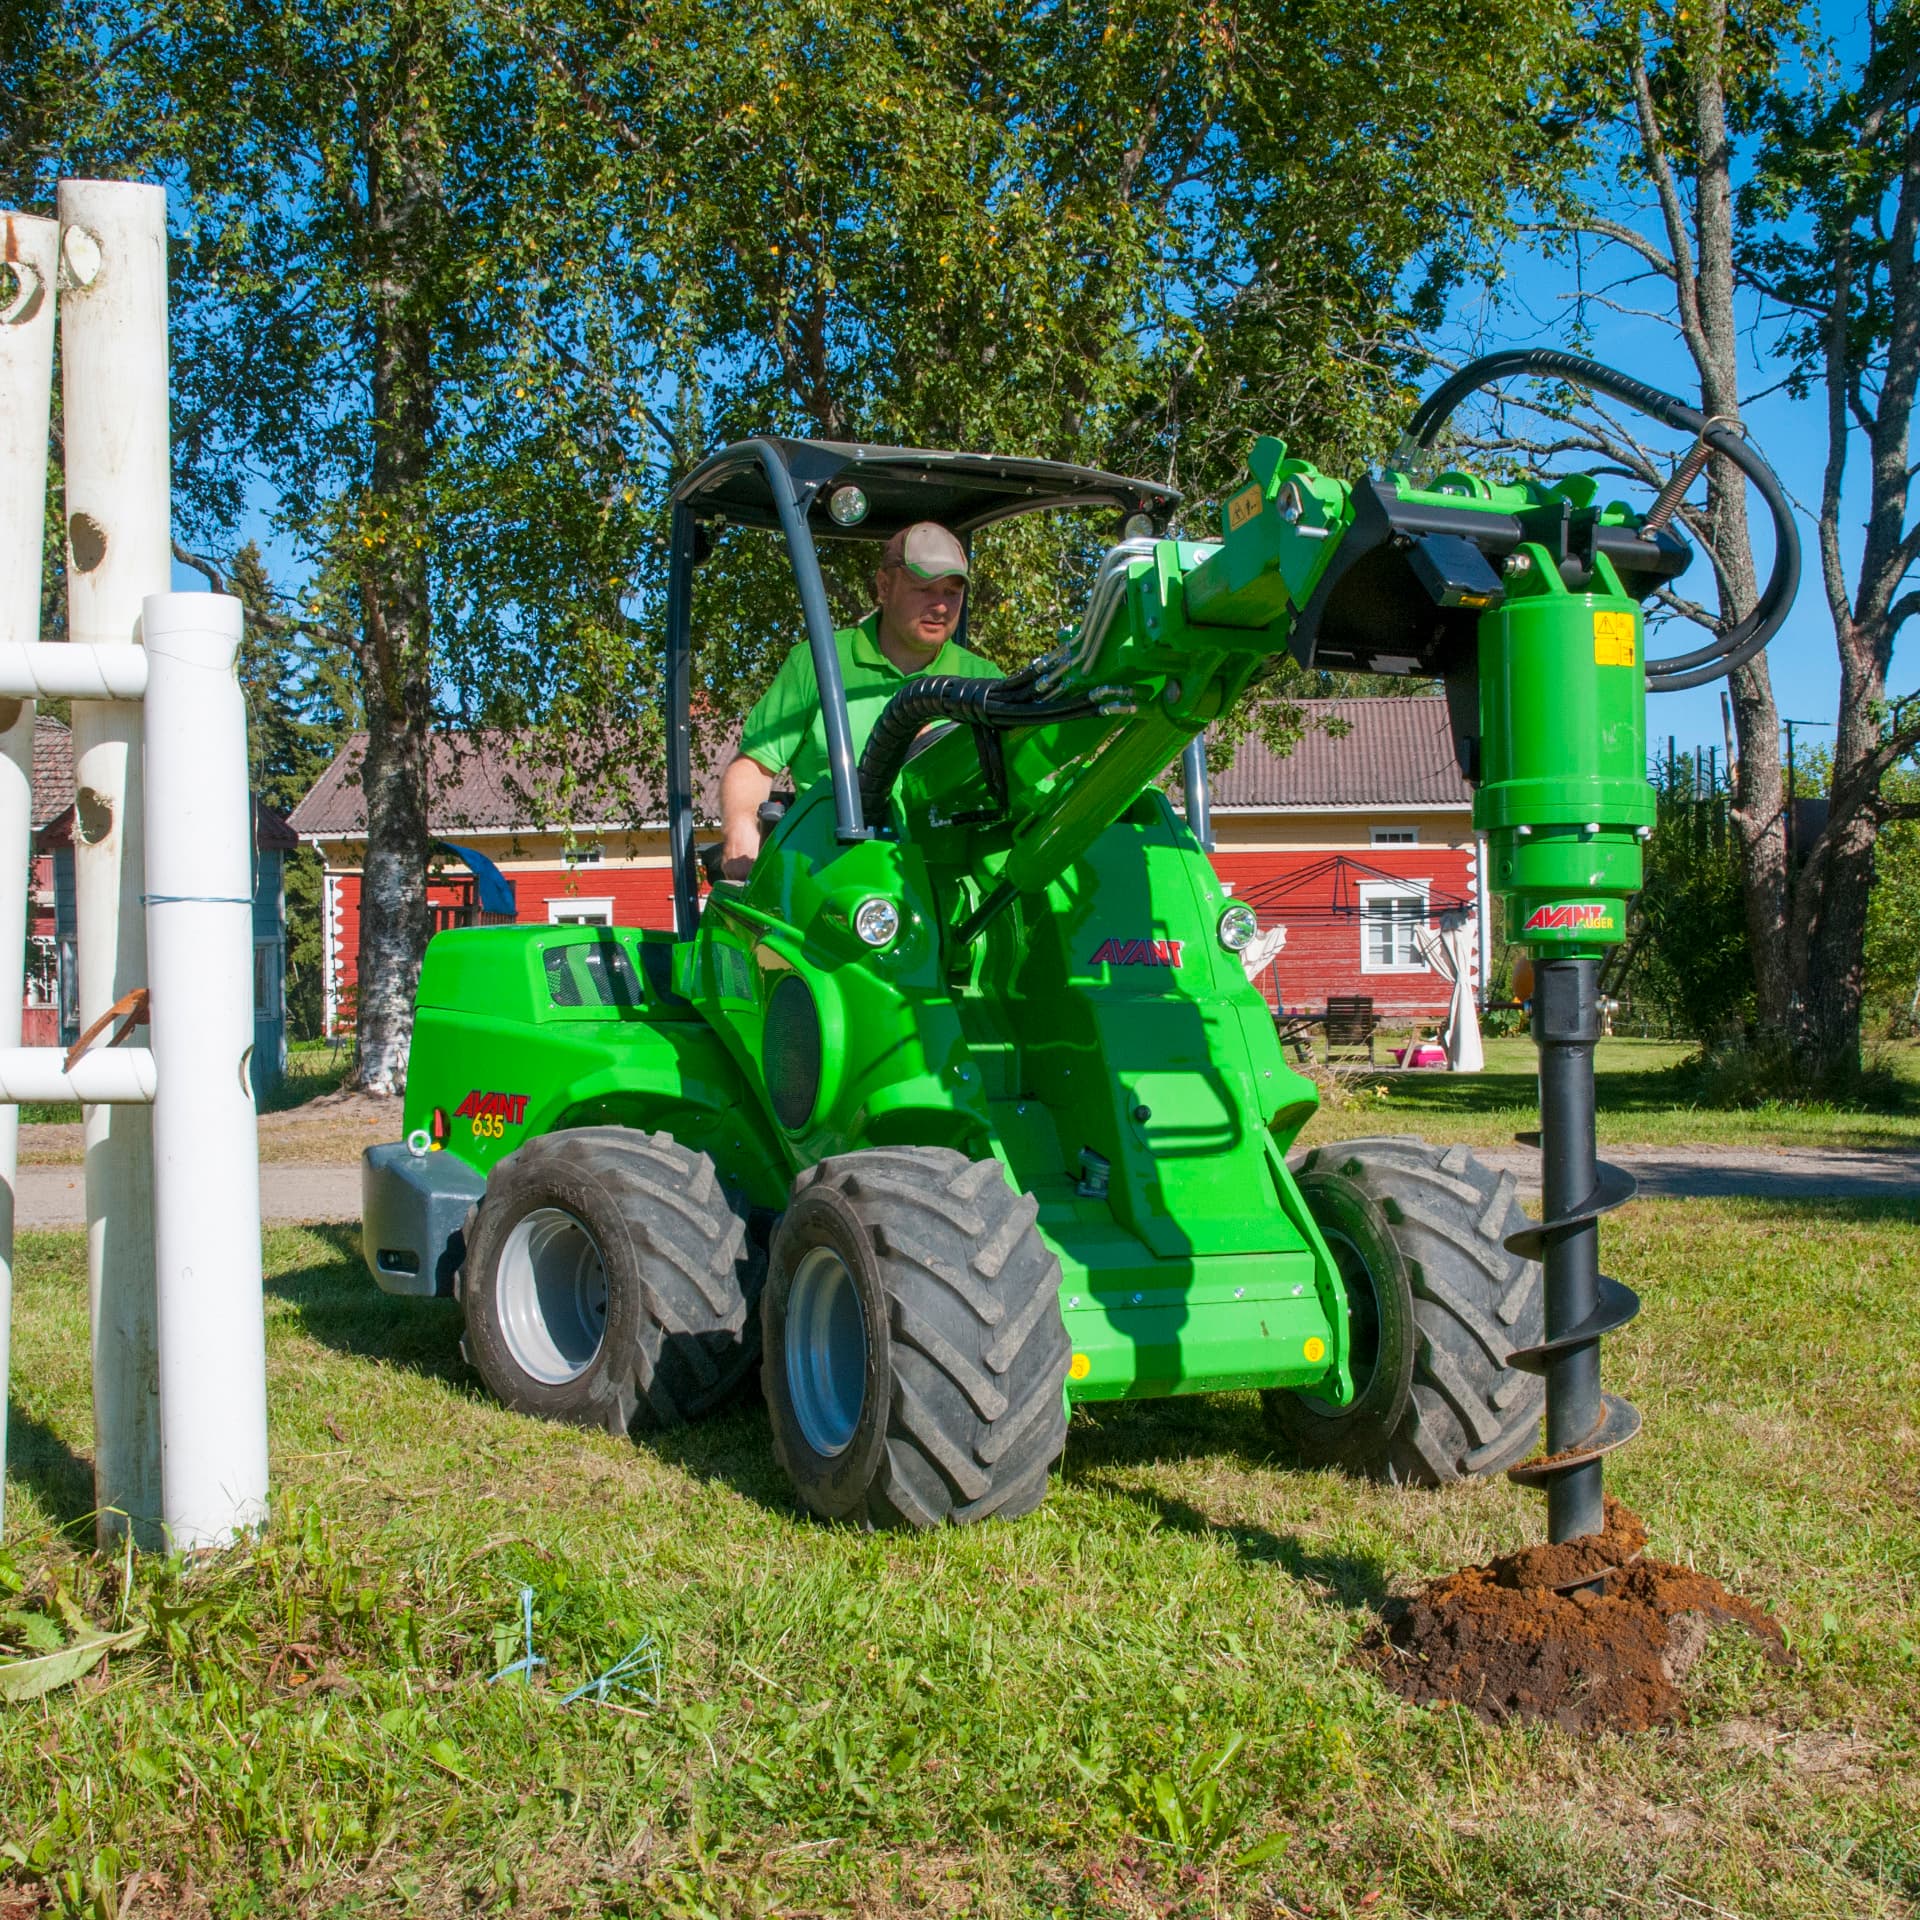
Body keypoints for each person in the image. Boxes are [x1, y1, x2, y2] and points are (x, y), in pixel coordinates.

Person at [717, 521, 999, 877]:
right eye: (925, 589)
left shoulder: (984, 681)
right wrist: (742, 833)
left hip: (953, 879)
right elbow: (755, 764)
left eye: (952, 593)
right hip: (831, 875)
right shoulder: (817, 663)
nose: (941, 606)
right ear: (884, 585)